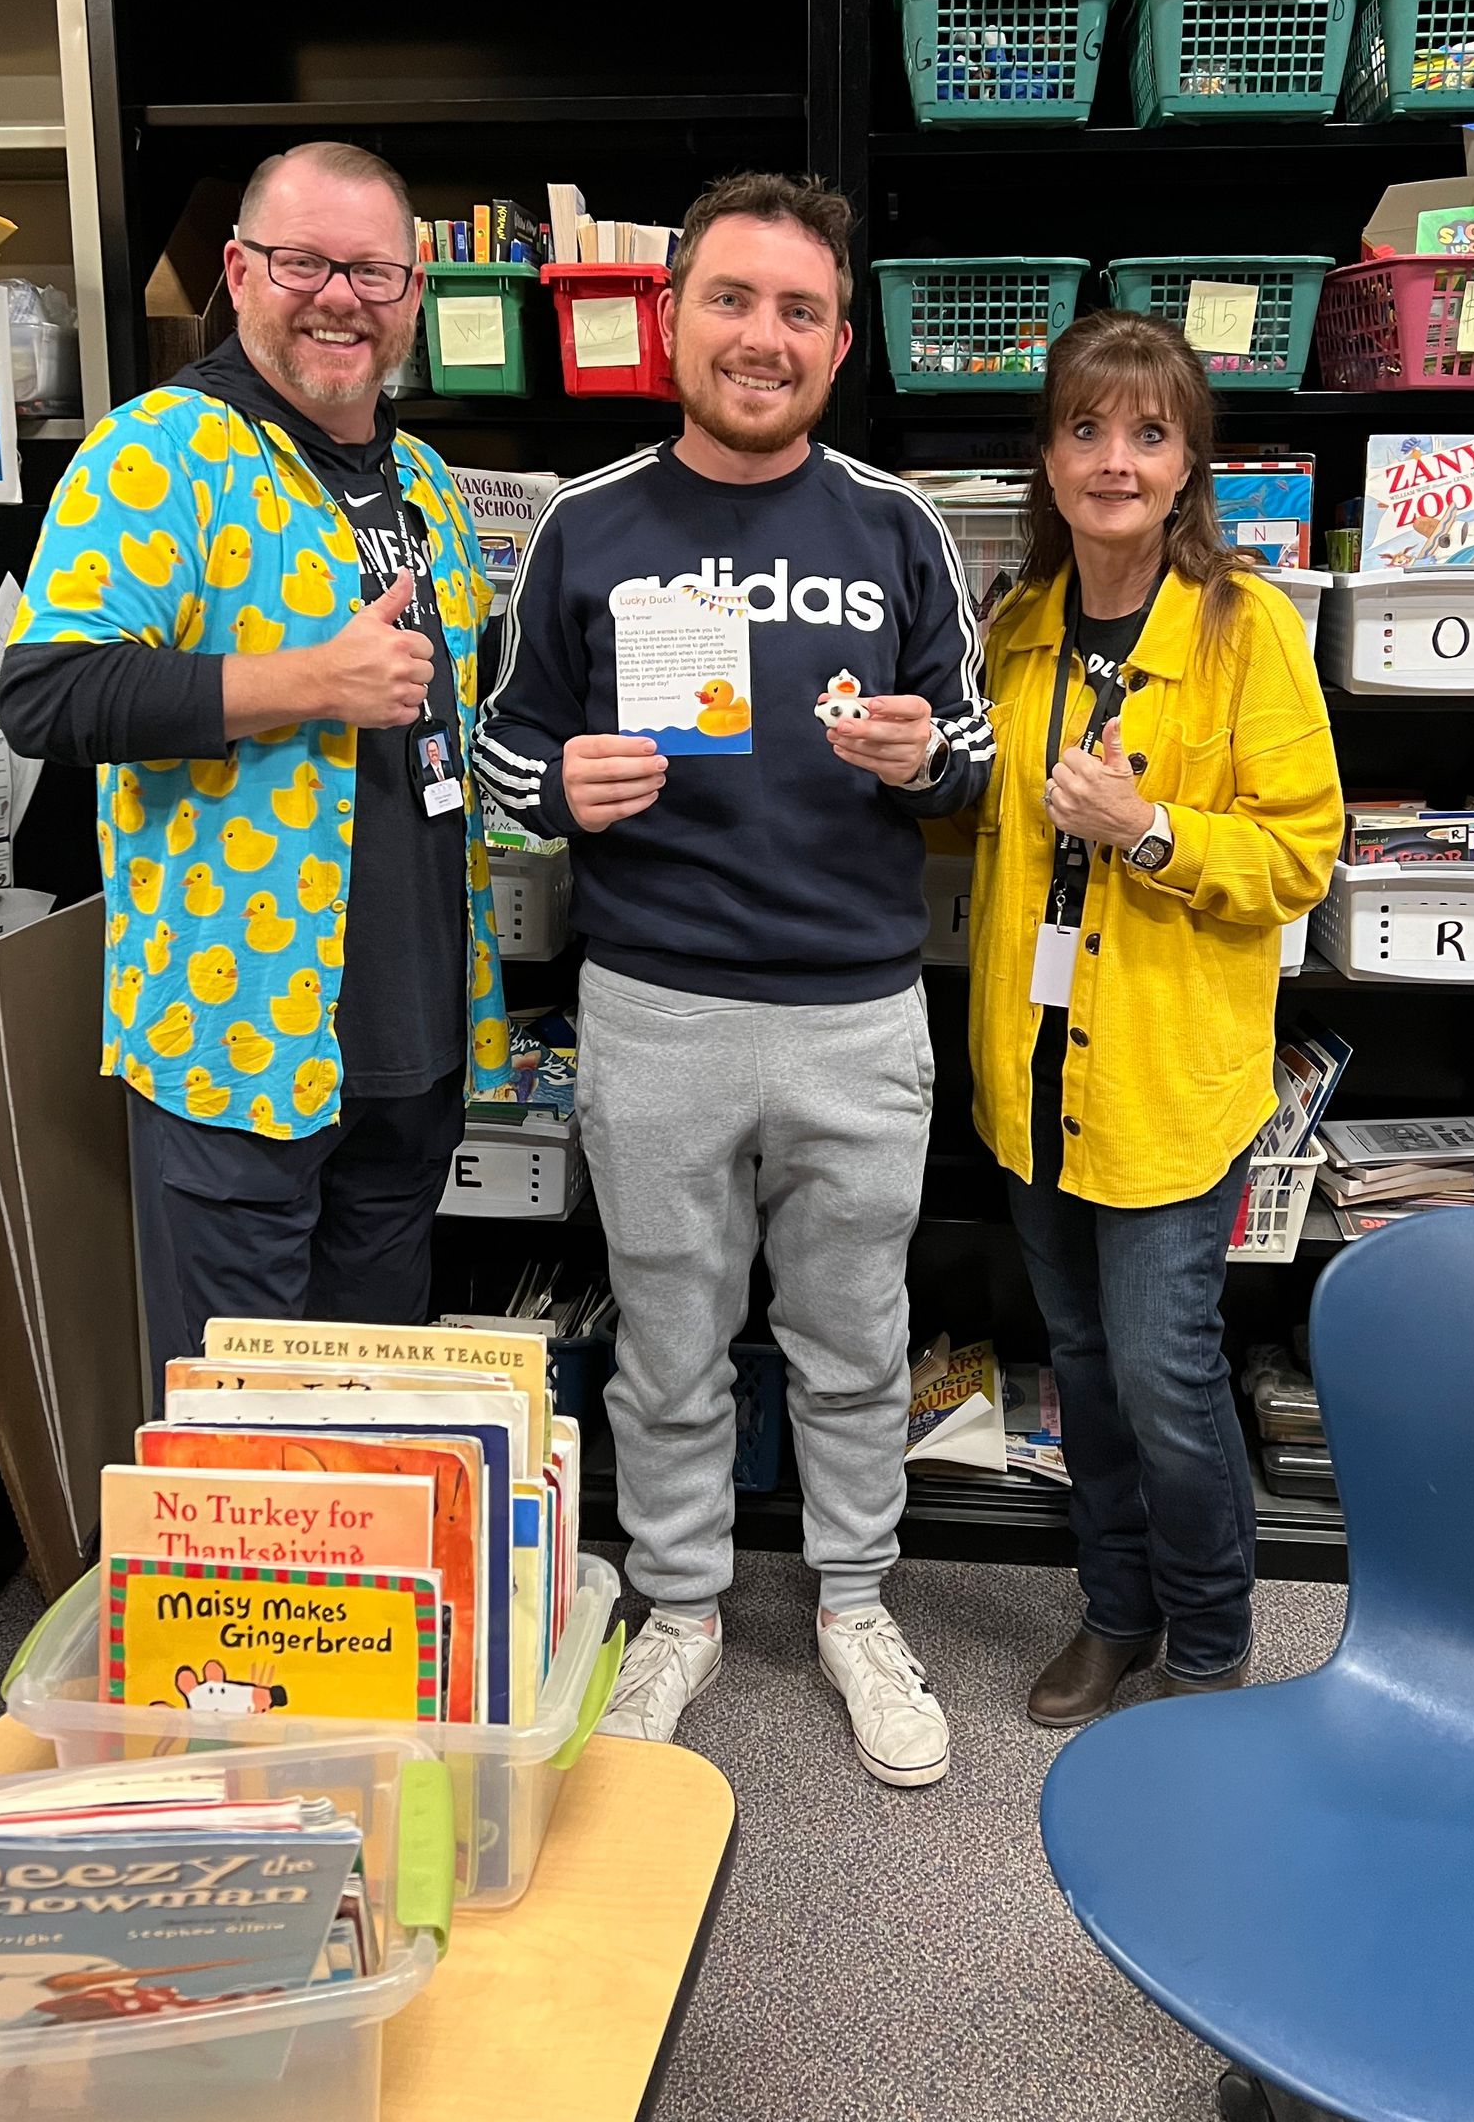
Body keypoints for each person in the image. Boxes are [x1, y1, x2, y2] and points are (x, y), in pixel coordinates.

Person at [476, 171, 992, 1786]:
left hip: (856, 1014)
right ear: (674, 316)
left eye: (799, 312)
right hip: (658, 1011)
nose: (762, 338)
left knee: (854, 1338)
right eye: (732, 300)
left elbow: (974, 751)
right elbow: (496, 755)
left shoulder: (899, 530)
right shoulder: (588, 521)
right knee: (671, 1342)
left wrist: (928, 758)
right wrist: (561, 793)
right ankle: (685, 1610)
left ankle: (853, 1605)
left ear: (839, 344)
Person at [0, 140, 515, 1383]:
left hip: (411, 1041)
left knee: (373, 1418)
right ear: (238, 272)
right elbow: (47, 691)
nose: (341, 295)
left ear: (412, 297)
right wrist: (305, 684)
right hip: (242, 1050)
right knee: (247, 1428)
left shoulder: (428, 481)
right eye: (304, 262)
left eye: (374, 271)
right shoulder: (159, 454)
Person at [965, 311, 1342, 1718]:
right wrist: (899, 773)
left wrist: (1154, 829)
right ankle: (1113, 1610)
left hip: (1169, 1085)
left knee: (1167, 1376)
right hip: (1034, 1070)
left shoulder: (1252, 633)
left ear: (1191, 465)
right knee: (1080, 1370)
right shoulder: (1017, 629)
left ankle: (1207, 1642)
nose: (1113, 460)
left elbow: (1301, 855)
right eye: (1084, 429)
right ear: (1047, 459)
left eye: (1148, 433)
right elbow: (988, 834)